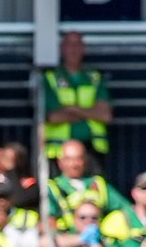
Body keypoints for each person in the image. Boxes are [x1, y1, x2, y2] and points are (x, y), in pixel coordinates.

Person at [42, 31, 113, 164]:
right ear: (61, 48)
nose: (73, 49)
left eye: (77, 44)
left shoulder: (95, 78)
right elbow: (53, 117)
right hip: (59, 152)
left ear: (84, 48)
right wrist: (90, 112)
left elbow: (105, 116)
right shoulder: (51, 78)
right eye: (69, 45)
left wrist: (72, 109)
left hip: (93, 150)